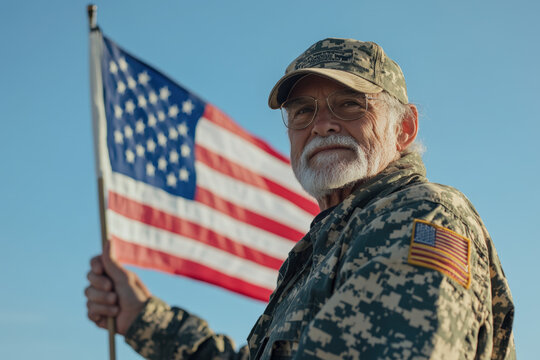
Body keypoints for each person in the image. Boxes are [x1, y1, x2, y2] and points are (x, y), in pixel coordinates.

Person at [85, 38, 515, 359]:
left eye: (350, 104)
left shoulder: (418, 215)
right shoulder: (329, 241)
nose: (323, 124)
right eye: (303, 111)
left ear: (404, 128)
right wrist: (142, 318)